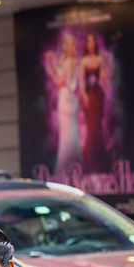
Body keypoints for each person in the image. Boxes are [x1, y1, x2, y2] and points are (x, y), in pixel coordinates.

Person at [43, 31, 81, 174]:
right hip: (70, 99)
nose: (69, 47)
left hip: (66, 98)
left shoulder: (69, 62)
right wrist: (52, 61)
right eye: (67, 45)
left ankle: (65, 167)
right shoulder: (72, 61)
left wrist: (49, 70)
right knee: (69, 134)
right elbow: (60, 69)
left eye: (71, 44)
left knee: (68, 136)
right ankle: (72, 165)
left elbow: (60, 81)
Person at [78, 33, 107, 172]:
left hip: (98, 93)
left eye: (92, 41)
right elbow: (81, 80)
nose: (91, 44)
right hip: (89, 95)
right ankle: (88, 161)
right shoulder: (84, 61)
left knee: (98, 126)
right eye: (88, 41)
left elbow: (103, 77)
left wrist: (105, 76)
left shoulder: (99, 59)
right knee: (91, 127)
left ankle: (101, 159)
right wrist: (84, 95)